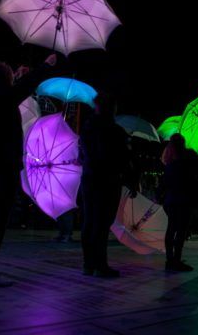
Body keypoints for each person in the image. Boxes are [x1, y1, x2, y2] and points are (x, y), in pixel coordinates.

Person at [0, 54, 59, 287]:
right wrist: (45, 65)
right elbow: (26, 87)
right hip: (4, 168)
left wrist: (16, 76)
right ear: (6, 81)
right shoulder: (5, 98)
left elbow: (16, 88)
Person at [79, 92, 139, 278]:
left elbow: (83, 155)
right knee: (103, 223)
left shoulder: (87, 128)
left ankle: (89, 264)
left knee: (89, 222)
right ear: (112, 108)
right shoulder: (115, 131)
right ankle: (100, 265)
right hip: (108, 180)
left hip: (89, 180)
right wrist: (132, 181)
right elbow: (124, 159)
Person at [160, 133, 198, 271]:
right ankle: (177, 260)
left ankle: (170, 259)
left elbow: (165, 184)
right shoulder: (187, 161)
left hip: (170, 201)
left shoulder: (169, 164)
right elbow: (196, 176)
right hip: (183, 201)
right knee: (181, 231)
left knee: (171, 228)